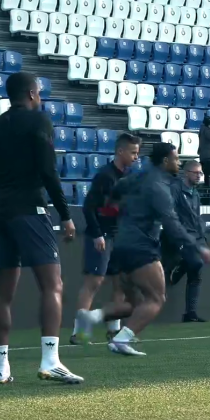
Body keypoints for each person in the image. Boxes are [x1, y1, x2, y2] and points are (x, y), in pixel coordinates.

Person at [0, 72, 81, 384]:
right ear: (32, 94)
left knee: (3, 295)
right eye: (39, 93)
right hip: (30, 209)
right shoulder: (39, 121)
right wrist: (65, 215)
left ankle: (1, 368)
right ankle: (50, 361)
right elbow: (48, 171)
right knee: (52, 285)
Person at [77, 143, 210, 356]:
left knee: (135, 304)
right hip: (141, 247)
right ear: (166, 161)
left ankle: (91, 317)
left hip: (120, 245)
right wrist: (197, 247)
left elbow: (116, 191)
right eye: (176, 159)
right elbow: (172, 224)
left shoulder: (137, 177)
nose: (179, 163)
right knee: (157, 298)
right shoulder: (158, 186)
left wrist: (113, 210)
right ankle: (121, 340)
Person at [70, 133, 141, 345]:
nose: (136, 157)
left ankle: (114, 332)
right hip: (102, 235)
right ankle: (79, 333)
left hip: (120, 237)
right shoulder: (105, 176)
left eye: (137, 153)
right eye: (133, 152)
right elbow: (88, 207)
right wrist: (97, 234)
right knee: (94, 282)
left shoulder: (130, 176)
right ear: (120, 151)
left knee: (120, 284)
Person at [163, 160, 210, 322]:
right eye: (196, 173)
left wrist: (203, 235)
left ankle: (191, 313)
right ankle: (177, 270)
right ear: (186, 173)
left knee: (196, 272)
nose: (199, 176)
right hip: (182, 236)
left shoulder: (195, 192)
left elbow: (197, 216)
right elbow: (170, 214)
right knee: (196, 262)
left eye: (200, 173)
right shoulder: (175, 189)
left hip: (196, 235)